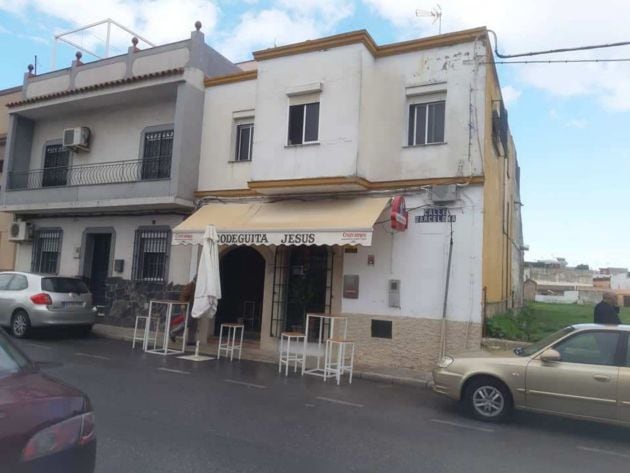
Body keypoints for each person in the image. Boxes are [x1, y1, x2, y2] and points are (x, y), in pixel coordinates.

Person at [170, 276, 198, 345]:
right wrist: (182, 304)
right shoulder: (191, 285)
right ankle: (173, 332)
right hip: (189, 305)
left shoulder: (196, 286)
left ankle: (191, 340)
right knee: (188, 322)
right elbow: (183, 295)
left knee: (194, 323)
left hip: (194, 305)